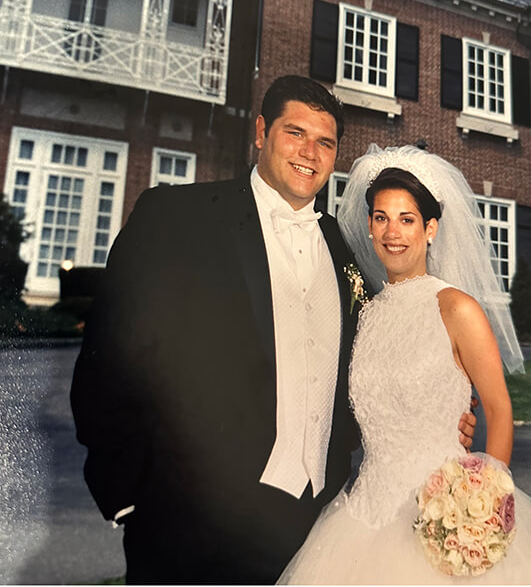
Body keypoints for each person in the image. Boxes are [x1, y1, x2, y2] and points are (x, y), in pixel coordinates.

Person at [70, 78, 476, 584]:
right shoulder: (177, 217)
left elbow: (376, 359)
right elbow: (112, 357)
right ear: (261, 132)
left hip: (312, 525)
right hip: (187, 522)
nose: (310, 153)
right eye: (295, 133)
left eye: (325, 142)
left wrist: (439, 412)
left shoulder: (343, 247)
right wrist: (125, 496)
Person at [277, 144, 531, 585]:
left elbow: (499, 409)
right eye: (382, 217)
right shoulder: (366, 313)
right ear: (369, 226)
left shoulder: (456, 308)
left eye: (407, 219)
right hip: (361, 513)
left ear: (430, 229)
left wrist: (481, 504)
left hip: (442, 516)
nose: (393, 232)